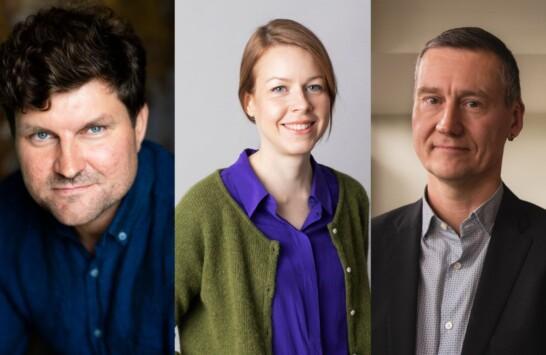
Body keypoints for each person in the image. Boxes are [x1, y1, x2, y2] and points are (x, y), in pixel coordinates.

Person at [176, 19, 370, 354]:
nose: (302, 104)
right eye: (279, 88)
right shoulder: (204, 210)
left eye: (314, 87)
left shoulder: (351, 200)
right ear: (250, 102)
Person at [0, 5, 173, 354]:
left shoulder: (194, 215)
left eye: (93, 129)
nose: (68, 166)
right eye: (41, 136)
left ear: (139, 126)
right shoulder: (7, 219)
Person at [372, 27, 546, 355]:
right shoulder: (362, 249)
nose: (447, 124)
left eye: (472, 103)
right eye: (432, 100)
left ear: (515, 119)